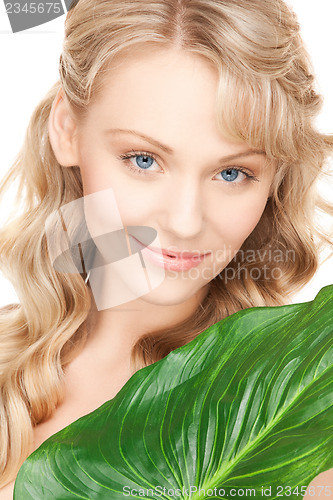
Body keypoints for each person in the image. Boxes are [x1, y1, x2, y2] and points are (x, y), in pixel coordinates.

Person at [0, 0, 332, 497]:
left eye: (231, 173)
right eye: (143, 159)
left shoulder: (292, 420)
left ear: (275, 177)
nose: (184, 221)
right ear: (67, 130)